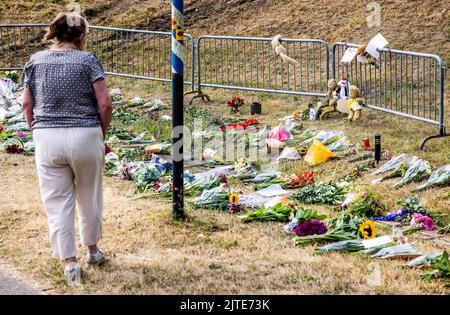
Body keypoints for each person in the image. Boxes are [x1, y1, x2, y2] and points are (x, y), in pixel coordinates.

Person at [22, 12, 112, 283]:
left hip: (48, 136)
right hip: (85, 134)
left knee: (57, 201)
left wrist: (34, 130)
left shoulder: (35, 61)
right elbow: (105, 103)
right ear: (81, 36)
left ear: (55, 34)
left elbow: (27, 103)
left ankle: (70, 264)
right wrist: (100, 133)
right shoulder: (88, 61)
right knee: (89, 194)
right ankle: (93, 251)